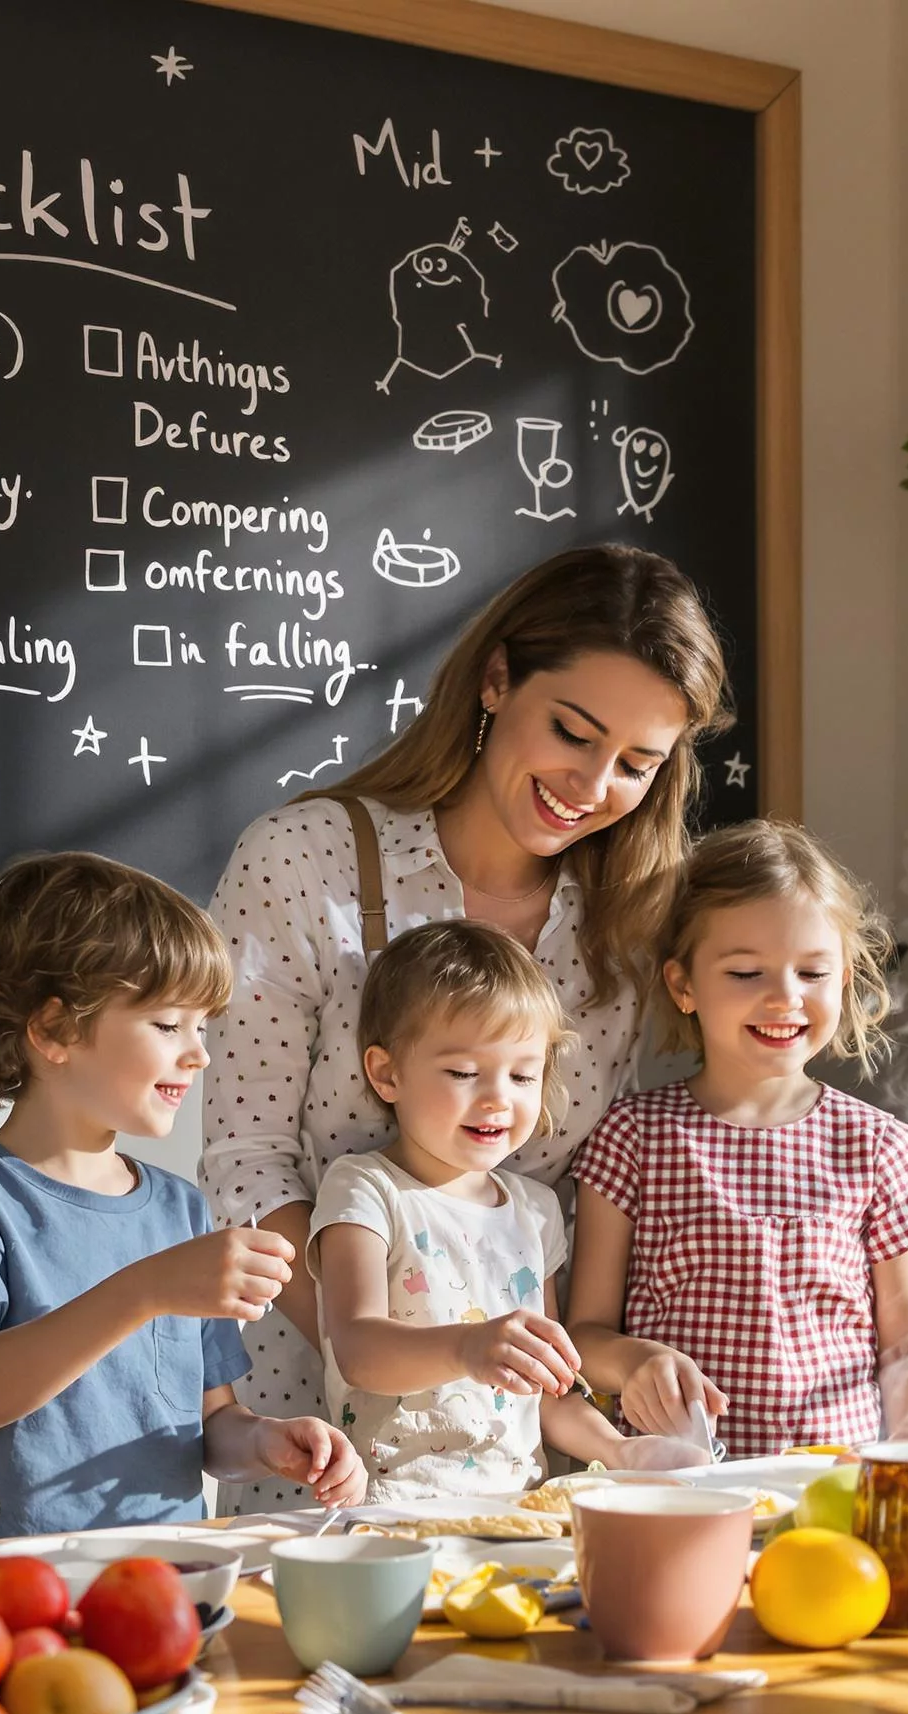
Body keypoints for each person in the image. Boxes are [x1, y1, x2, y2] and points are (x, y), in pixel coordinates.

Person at [202, 545, 733, 1508]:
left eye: (636, 765)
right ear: (496, 679)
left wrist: (590, 1400)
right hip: (315, 1444)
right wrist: (397, 1359)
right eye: (572, 732)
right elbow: (248, 1162)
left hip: (519, 1467)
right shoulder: (305, 859)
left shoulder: (626, 923)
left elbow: (562, 1199)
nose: (592, 785)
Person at [0, 852, 366, 1538]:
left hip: (169, 1573)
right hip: (12, 1582)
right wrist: (146, 1290)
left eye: (202, 1026)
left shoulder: (180, 1210)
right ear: (54, 1031)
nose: (199, 1054)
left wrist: (266, 1442)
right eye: (169, 1025)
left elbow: (211, 1425)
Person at [566, 820, 908, 1459]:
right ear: (684, 986)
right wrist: (635, 1361)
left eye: (812, 972)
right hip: (677, 1482)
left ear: (844, 979)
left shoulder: (884, 1149)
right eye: (746, 973)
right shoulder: (632, 1138)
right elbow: (587, 1333)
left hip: (831, 1481)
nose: (784, 998)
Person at [311, 921, 699, 1499]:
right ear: (387, 1074)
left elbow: (549, 1391)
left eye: (522, 1075)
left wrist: (621, 1451)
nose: (498, 1098)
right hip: (395, 1508)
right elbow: (358, 1351)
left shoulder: (536, 1212)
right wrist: (468, 1348)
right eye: (465, 1073)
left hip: (521, 1508)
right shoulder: (364, 1188)